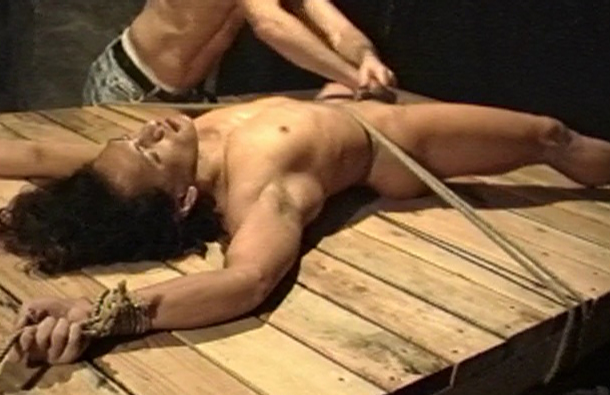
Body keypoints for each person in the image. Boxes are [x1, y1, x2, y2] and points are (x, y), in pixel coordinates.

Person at [2, 82, 609, 365]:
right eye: (151, 153)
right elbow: (247, 279)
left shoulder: (145, 165)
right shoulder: (258, 187)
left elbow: (31, 153)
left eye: (134, 139)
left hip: (329, 105)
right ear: (183, 202)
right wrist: (106, 313)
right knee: (549, 136)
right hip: (394, 144)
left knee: (342, 85)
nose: (149, 131)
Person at [83, 0, 395, 104]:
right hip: (129, 85)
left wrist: (367, 58)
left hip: (182, 97)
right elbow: (270, 26)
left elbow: (335, 27)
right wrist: (354, 79)